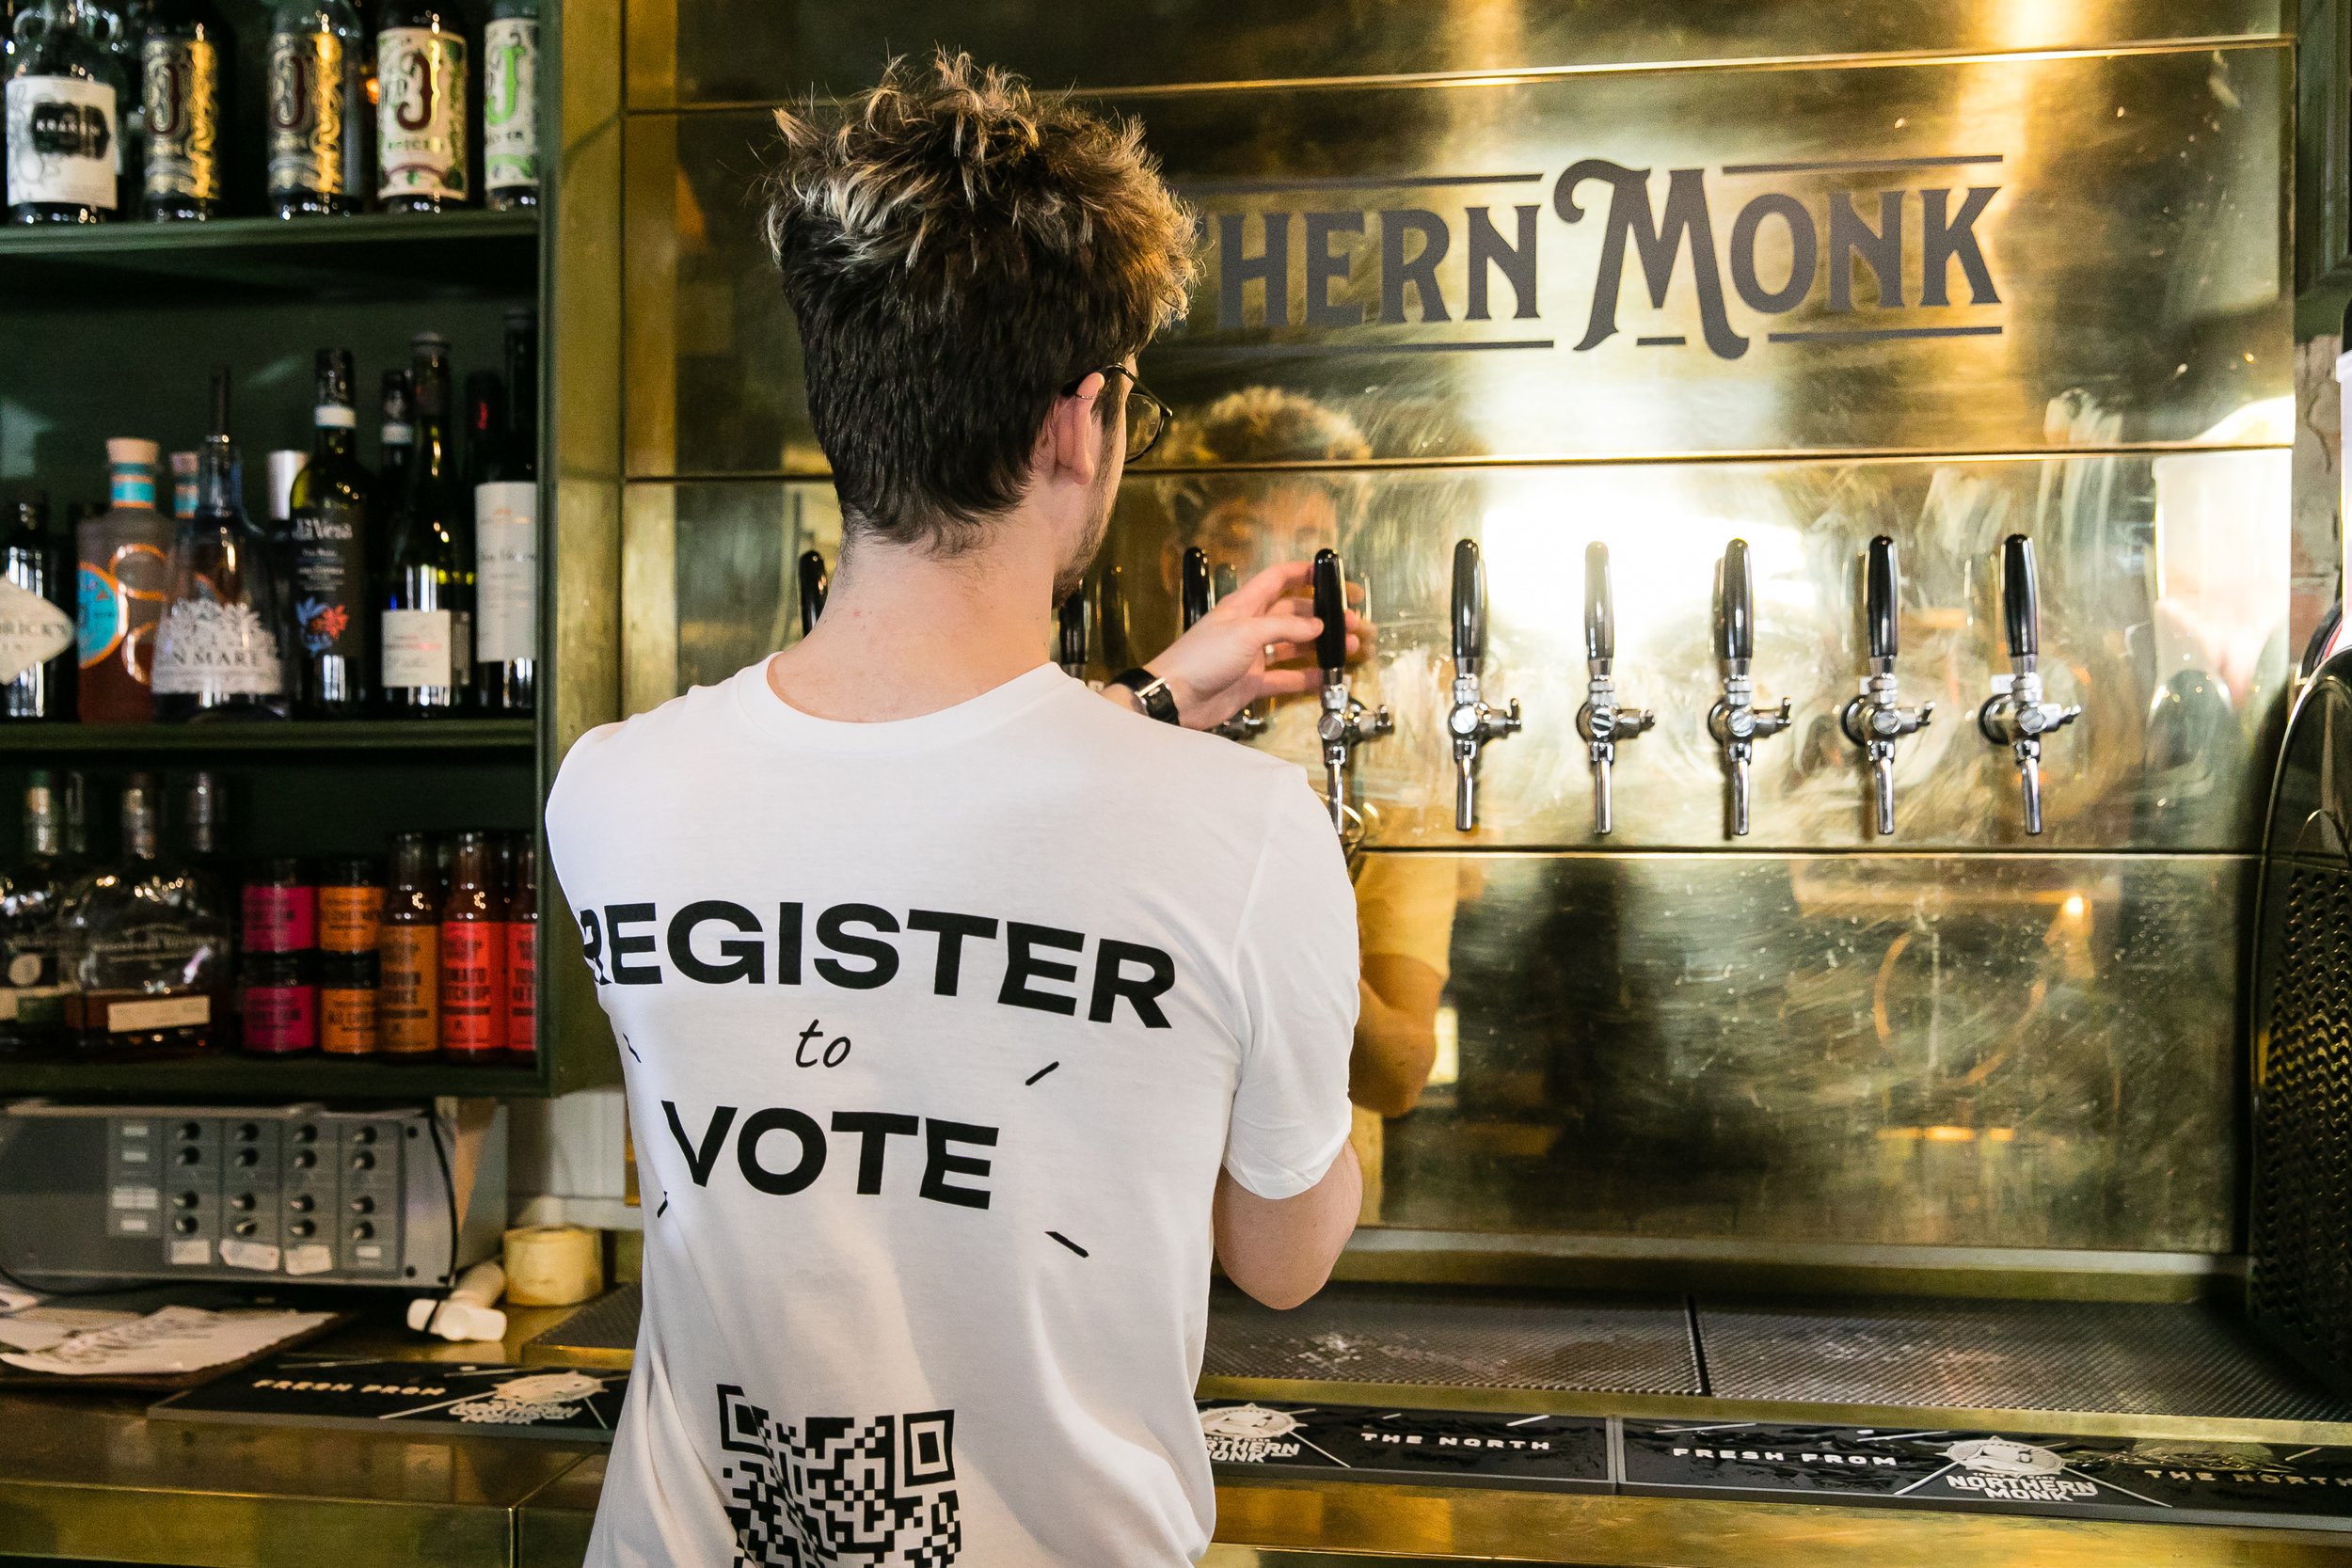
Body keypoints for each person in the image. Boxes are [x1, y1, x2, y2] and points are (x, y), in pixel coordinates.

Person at [544, 53, 1364, 1568]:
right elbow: (1284, 1256)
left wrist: (1155, 703)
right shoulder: (1247, 839)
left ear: (842, 398)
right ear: (1079, 425)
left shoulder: (608, 794)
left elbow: (909, 843)